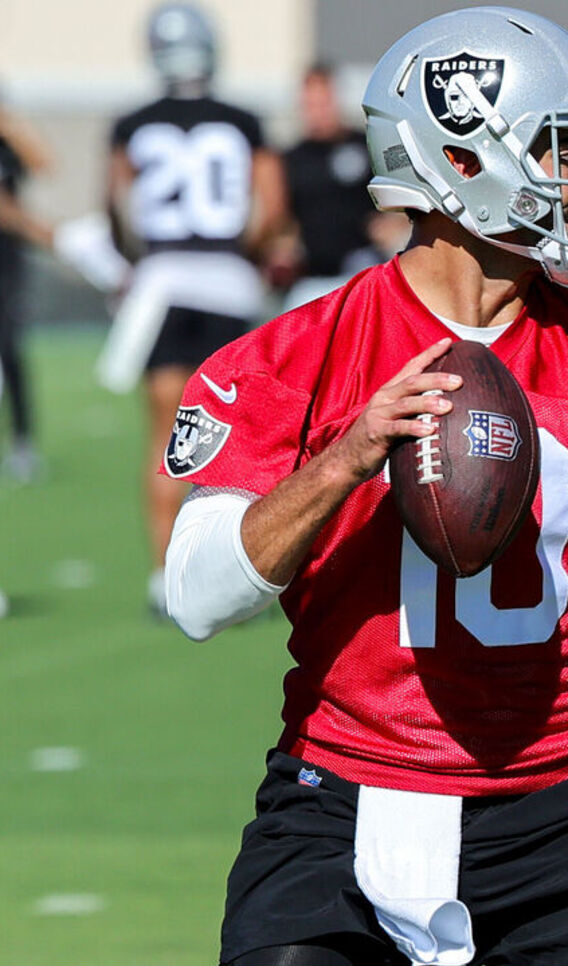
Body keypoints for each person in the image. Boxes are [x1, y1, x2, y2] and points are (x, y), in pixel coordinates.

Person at [163, 7, 568, 965]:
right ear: (463, 163)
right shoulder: (297, 355)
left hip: (565, 797)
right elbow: (192, 597)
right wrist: (348, 458)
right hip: (339, 796)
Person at [105, 1, 284, 614]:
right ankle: (224, 574)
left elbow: (117, 205)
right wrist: (249, 254)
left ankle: (164, 577)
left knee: (164, 438)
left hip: (163, 281)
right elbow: (271, 206)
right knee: (228, 438)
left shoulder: (133, 124)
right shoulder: (242, 121)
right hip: (228, 284)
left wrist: (134, 260)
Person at [269, 63, 406, 311]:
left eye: (323, 103)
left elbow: (402, 196)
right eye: (310, 104)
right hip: (310, 278)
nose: (317, 112)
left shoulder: (365, 146)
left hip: (361, 270)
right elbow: (282, 219)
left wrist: (393, 224)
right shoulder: (292, 158)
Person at [0, 100, 55, 482]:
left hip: (6, 260)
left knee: (8, 346)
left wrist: (12, 125)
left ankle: (22, 443)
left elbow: (44, 165)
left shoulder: (7, 142)